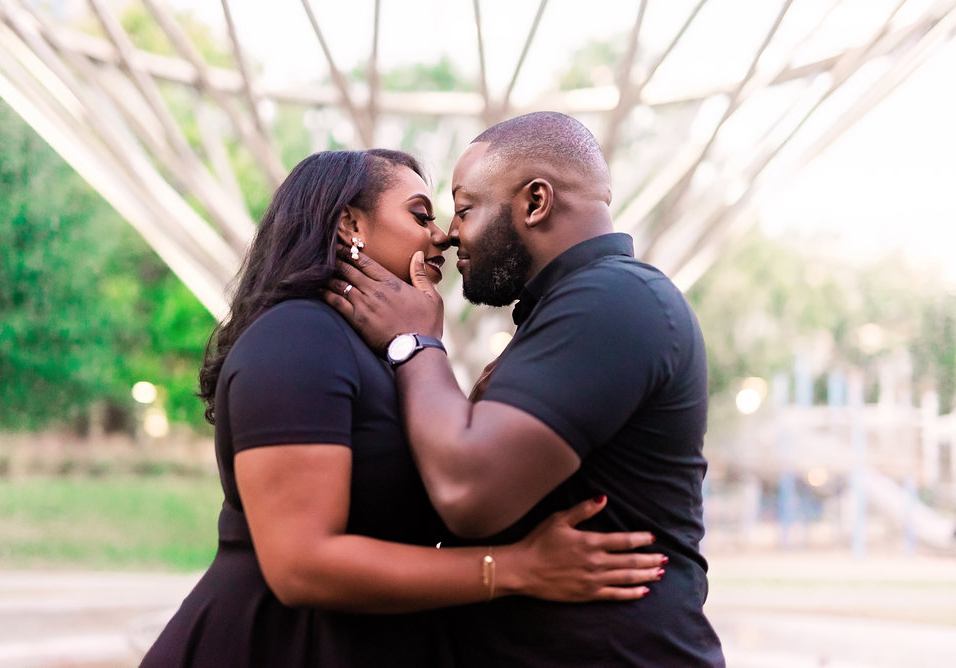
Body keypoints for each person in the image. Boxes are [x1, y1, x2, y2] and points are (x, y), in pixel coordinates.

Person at [140, 148, 668, 668]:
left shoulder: (383, 356)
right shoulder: (297, 336)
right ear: (349, 223)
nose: (442, 235)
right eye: (421, 215)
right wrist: (516, 568)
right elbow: (300, 564)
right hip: (271, 646)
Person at [326, 113, 726, 667]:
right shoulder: (575, 308)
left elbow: (469, 492)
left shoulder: (614, 299)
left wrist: (413, 342)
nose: (448, 232)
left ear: (536, 202)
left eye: (464, 209)